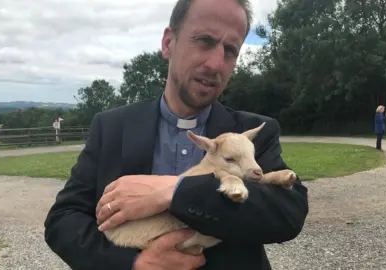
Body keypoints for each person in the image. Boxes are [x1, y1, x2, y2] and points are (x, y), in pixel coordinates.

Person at [43, 0, 309, 269]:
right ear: (169, 43)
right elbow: (64, 219)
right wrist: (133, 264)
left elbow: (287, 213)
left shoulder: (251, 133)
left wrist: (175, 191)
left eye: (230, 50)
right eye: (204, 41)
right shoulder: (111, 127)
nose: (216, 63)